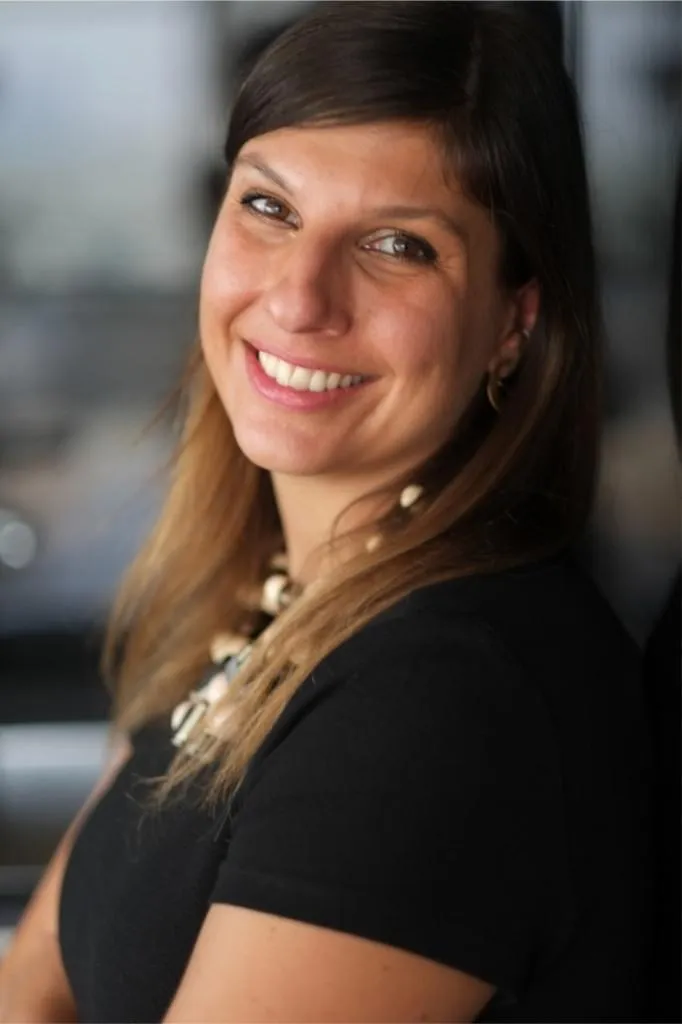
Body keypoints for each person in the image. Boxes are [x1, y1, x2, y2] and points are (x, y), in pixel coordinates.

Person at [0, 3, 654, 1021]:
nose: (301, 297)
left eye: (397, 244)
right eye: (269, 207)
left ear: (510, 325)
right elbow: (33, 976)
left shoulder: (442, 706)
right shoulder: (271, 599)